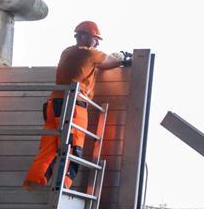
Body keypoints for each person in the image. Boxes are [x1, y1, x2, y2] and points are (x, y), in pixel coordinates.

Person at [23, 20, 131, 190]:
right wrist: (123, 57)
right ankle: (63, 188)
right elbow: (111, 62)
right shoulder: (89, 53)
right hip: (73, 106)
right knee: (73, 146)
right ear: (84, 36)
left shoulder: (67, 52)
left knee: (49, 147)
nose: (97, 42)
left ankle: (33, 183)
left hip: (53, 104)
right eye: (95, 38)